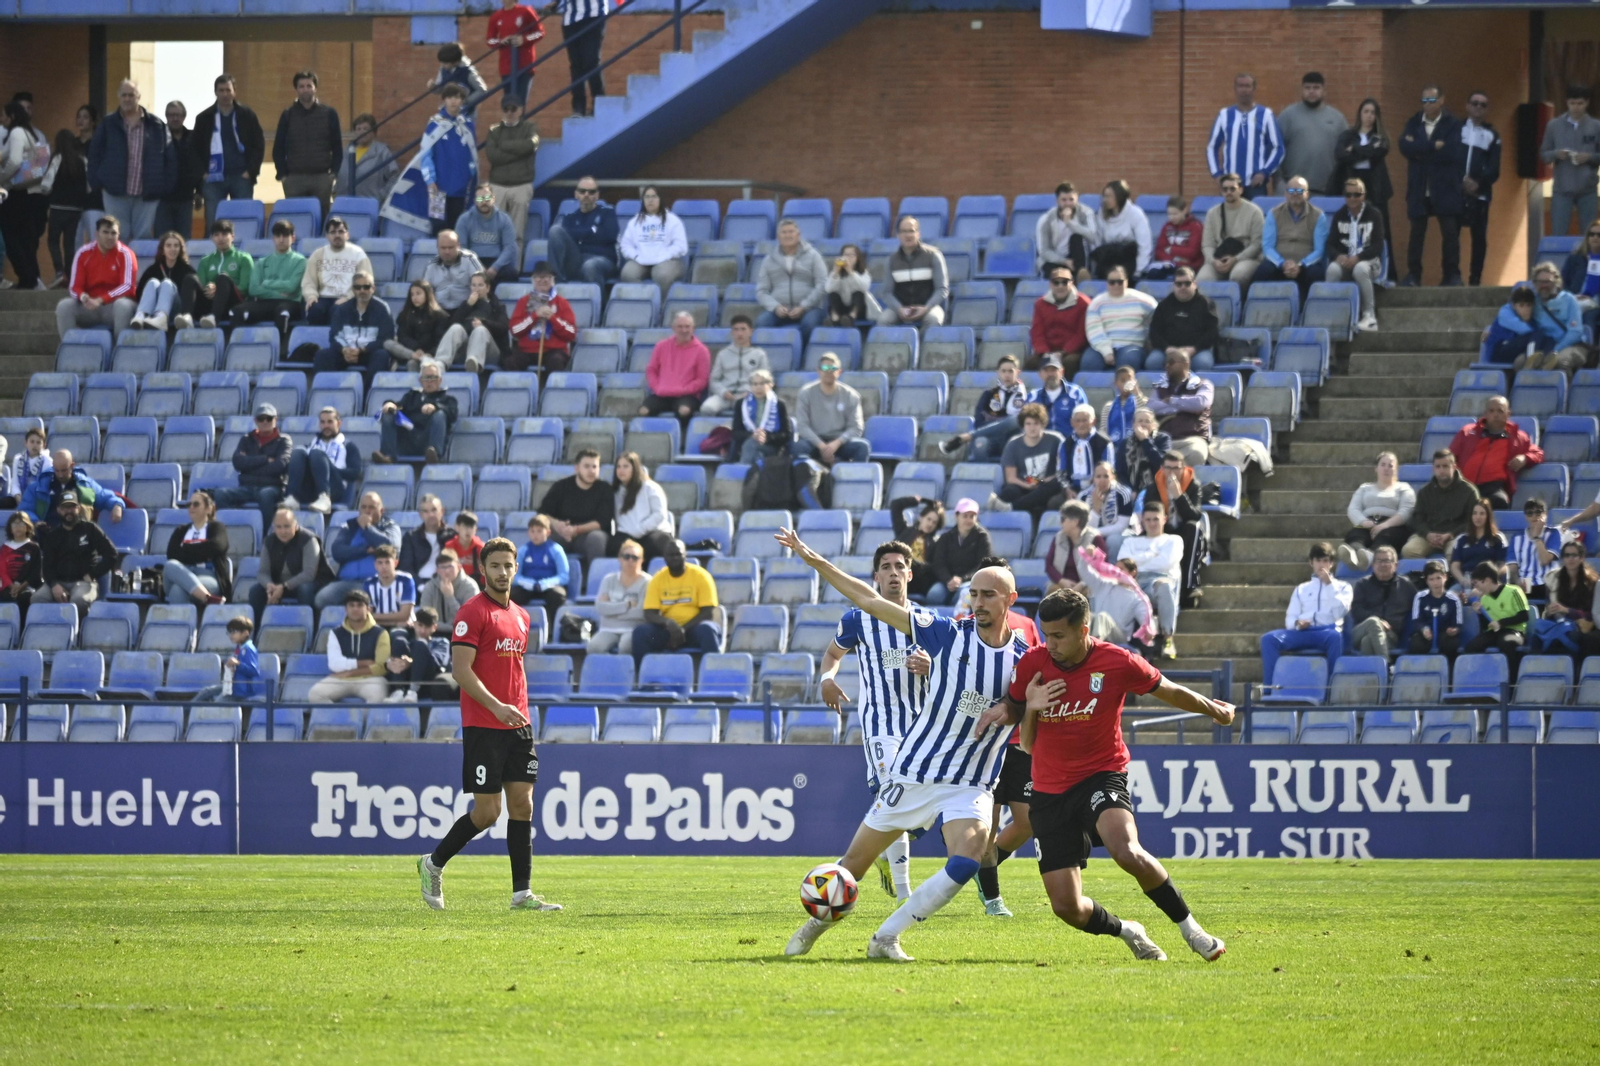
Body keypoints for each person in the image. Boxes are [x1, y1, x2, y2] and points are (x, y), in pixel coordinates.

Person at [778, 529, 1034, 964]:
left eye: (988, 594)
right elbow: (868, 600)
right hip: (914, 771)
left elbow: (1027, 715)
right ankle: (814, 925)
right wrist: (812, 559)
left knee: (967, 860)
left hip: (969, 783)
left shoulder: (1025, 659)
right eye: (972, 594)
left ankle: (887, 936)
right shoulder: (948, 633)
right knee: (851, 867)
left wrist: (1018, 712)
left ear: (1009, 600)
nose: (977, 602)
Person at [979, 588, 1233, 959]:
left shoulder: (1117, 661)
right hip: (1048, 792)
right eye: (1045, 634)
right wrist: (1031, 707)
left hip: (1101, 774)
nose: (1049, 644)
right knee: (1068, 907)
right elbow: (1028, 744)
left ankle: (1192, 930)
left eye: (1059, 636)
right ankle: (1129, 930)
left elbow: (1169, 690)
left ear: (1084, 630)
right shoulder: (1033, 664)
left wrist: (1214, 710)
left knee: (1126, 850)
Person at [418, 536, 561, 912]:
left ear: (516, 568)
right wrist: (497, 707)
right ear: (482, 570)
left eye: (508, 565)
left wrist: (516, 710)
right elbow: (461, 672)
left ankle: (522, 894)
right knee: (487, 813)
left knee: (523, 806)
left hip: (518, 723)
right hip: (485, 724)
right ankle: (432, 864)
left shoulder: (522, 617)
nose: (502, 572)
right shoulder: (471, 613)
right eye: (494, 565)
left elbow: (512, 671)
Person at [817, 540, 933, 904]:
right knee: (893, 794)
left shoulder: (926, 621)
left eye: (900, 566)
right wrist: (826, 679)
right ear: (876, 577)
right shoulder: (858, 619)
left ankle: (882, 850)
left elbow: (951, 670)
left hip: (922, 728)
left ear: (910, 574)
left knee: (921, 811)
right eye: (886, 566)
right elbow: (832, 655)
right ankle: (903, 894)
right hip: (881, 724)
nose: (894, 572)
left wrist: (932, 667)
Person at [1043, 501, 1152, 648]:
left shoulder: (1136, 597)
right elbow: (1050, 565)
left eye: (1064, 519)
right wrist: (1063, 580)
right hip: (1066, 584)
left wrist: (1150, 628)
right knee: (1055, 595)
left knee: (1096, 612)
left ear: (1075, 521)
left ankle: (1090, 650)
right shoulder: (1059, 537)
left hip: (1089, 591)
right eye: (1117, 568)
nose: (1061, 523)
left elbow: (1101, 569)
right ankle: (1058, 637)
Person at [384, 84, 476, 238]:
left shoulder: (467, 125)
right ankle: (437, 261)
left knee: (457, 229)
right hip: (437, 190)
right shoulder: (435, 124)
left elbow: (472, 156)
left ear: (462, 101)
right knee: (438, 229)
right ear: (444, 100)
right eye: (450, 97)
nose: (454, 101)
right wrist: (430, 181)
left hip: (460, 189)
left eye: (458, 97)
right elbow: (426, 155)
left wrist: (469, 178)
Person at [87, 80, 175, 240]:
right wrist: (98, 183)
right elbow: (94, 155)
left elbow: (170, 158)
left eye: (131, 95)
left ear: (139, 97)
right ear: (119, 97)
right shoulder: (107, 124)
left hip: (147, 195)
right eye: (124, 95)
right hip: (114, 193)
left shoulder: (156, 125)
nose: (127, 99)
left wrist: (164, 186)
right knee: (117, 237)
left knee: (143, 238)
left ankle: (139, 267)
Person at [1399, 85, 1465, 287]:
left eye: (1431, 100)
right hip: (1419, 187)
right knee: (1417, 232)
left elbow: (1452, 152)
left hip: (1445, 188)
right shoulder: (1413, 122)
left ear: (1441, 100)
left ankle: (1451, 275)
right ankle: (1413, 275)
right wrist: (1432, 146)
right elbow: (1404, 146)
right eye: (1424, 101)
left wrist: (1420, 151)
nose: (1427, 105)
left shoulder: (1452, 124)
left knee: (1450, 233)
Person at [1259, 543, 1352, 687]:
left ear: (1332, 563)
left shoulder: (1343, 587)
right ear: (1311, 563)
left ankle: (1332, 690)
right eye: (1318, 560)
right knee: (1269, 639)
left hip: (1327, 631)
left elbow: (1340, 612)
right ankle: (1269, 689)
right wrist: (1297, 623)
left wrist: (1329, 585)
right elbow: (1290, 617)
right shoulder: (1301, 589)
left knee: (1336, 638)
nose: (1322, 565)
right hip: (1302, 632)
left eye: (1325, 560)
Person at [1334, 98, 1396, 284]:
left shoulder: (1380, 138)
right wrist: (1361, 150)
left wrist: (1355, 151)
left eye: (1373, 112)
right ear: (1360, 114)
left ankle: (1387, 273)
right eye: (1366, 111)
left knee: (1381, 230)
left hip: (1375, 188)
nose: (1369, 116)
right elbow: (1340, 155)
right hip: (1353, 184)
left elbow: (1377, 152)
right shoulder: (1347, 135)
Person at [630, 537, 720, 663]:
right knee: (640, 633)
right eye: (671, 555)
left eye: (678, 554)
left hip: (694, 629)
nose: (675, 558)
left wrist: (683, 629)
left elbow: (708, 613)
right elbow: (649, 613)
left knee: (708, 630)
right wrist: (668, 624)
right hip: (668, 631)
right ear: (664, 557)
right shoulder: (657, 580)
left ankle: (714, 675)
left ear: (685, 555)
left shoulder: (701, 576)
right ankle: (642, 676)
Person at [193, 74, 265, 230]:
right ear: (215, 92)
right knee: (213, 221)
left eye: (228, 90)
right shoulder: (204, 118)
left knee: (243, 220)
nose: (225, 94)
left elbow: (258, 145)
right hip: (213, 179)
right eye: (221, 90)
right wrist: (202, 173)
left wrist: (251, 171)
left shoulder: (247, 115)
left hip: (241, 177)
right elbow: (194, 150)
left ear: (234, 92)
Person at [1135, 450, 1207, 606]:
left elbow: (1194, 515)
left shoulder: (1194, 485)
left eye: (1176, 468)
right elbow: (1150, 513)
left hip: (1184, 530)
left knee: (1194, 528)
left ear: (1183, 468)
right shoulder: (1154, 486)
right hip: (1164, 528)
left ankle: (1190, 585)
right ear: (1162, 468)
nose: (1172, 472)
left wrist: (1179, 495)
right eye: (1168, 468)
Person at [1450, 395, 1543, 511]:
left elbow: (1538, 453)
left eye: (1500, 411)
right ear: (1485, 413)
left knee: (1500, 502)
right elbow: (1450, 457)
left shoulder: (1518, 437)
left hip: (1492, 488)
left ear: (1508, 414)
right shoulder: (1468, 432)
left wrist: (1524, 458)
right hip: (1465, 485)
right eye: (1491, 411)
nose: (1495, 414)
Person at [1117, 504, 1183, 659]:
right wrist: (1151, 555)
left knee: (1164, 585)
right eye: (1148, 520)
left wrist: (1136, 561)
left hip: (1158, 582)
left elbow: (1165, 563)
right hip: (1134, 582)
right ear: (1142, 521)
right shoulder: (1130, 542)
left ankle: (1168, 639)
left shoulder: (1173, 540)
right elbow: (1122, 564)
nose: (1152, 524)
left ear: (1164, 519)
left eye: (1156, 519)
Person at [31, 495, 116, 615]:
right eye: (64, 508)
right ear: (58, 510)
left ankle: (78, 633)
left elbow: (112, 554)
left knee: (79, 601)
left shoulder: (90, 529)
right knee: (37, 599)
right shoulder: (52, 535)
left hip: (83, 582)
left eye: (72, 507)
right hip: (58, 582)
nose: (68, 511)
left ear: (79, 508)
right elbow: (47, 567)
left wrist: (93, 574)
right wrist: (54, 585)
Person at [272, 71, 341, 218]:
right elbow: (278, 147)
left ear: (315, 88)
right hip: (294, 179)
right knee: (296, 218)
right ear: (296, 90)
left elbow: (337, 146)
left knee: (322, 218)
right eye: (301, 86)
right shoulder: (287, 115)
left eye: (309, 86)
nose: (305, 89)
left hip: (321, 178)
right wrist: (283, 175)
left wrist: (333, 173)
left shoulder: (329, 113)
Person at [318, 490, 403, 609]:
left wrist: (367, 527)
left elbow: (389, 546)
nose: (367, 511)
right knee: (321, 599)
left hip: (376, 583)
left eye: (372, 507)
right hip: (345, 582)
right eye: (364, 507)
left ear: (381, 511)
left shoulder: (390, 526)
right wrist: (364, 550)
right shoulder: (350, 527)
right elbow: (337, 551)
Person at [55, 214, 137, 338]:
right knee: (64, 306)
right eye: (105, 232)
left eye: (113, 233)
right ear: (97, 234)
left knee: (123, 306)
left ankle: (119, 351)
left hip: (114, 306)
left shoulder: (126, 254)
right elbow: (74, 287)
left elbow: (127, 287)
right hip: (89, 306)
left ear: (118, 235)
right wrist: (83, 297)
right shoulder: (83, 253)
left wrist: (101, 299)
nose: (110, 237)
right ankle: (70, 348)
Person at [210, 402, 291, 524]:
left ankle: (265, 534)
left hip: (272, 486)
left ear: (276, 420)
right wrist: (265, 459)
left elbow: (279, 466)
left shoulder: (284, 440)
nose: (265, 422)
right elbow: (237, 462)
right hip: (247, 487)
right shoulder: (246, 439)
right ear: (255, 420)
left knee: (265, 495)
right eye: (261, 419)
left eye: (269, 419)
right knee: (221, 494)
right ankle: (235, 526)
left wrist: (249, 465)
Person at [45, 104, 97, 288]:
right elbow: (89, 184)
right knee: (69, 243)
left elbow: (47, 181)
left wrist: (45, 192)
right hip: (76, 207)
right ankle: (70, 274)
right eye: (79, 117)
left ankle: (60, 271)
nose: (80, 120)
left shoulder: (58, 157)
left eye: (85, 117)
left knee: (53, 240)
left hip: (59, 206)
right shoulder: (82, 159)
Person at [308, 588, 390, 704]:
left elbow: (382, 668)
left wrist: (350, 672)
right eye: (351, 605)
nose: (355, 609)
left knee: (377, 698)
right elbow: (334, 664)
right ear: (346, 609)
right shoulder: (336, 633)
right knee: (315, 694)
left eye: (360, 605)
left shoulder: (380, 633)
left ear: (368, 609)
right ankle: (339, 721)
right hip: (342, 678)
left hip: (371, 679)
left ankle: (363, 722)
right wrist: (363, 663)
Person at [939, 354, 1030, 460]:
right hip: (992, 439)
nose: (1007, 375)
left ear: (1017, 373)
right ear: (998, 373)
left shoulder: (1026, 396)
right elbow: (979, 423)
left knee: (1016, 420)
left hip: (1014, 439)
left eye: (1010, 371)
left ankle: (965, 437)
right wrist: (1002, 424)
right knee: (980, 443)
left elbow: (1022, 424)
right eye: (1003, 371)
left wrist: (998, 422)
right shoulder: (989, 395)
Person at [1207, 73, 1282, 199]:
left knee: (1256, 218)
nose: (1244, 90)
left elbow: (1278, 147)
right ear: (1235, 89)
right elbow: (1211, 147)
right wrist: (1217, 174)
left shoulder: (1266, 114)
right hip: (1231, 185)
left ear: (1254, 89)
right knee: (1232, 218)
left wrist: (1264, 172)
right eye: (1240, 86)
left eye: (1248, 86)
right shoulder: (1224, 115)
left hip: (1256, 185)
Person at [1325, 178, 1385, 334]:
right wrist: (1338, 256)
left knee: (1360, 269)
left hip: (1369, 262)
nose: (1352, 198)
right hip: (1346, 261)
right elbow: (1330, 244)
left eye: (1356, 194)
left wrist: (1358, 257)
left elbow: (1378, 246)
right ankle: (1332, 313)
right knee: (1332, 269)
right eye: (1348, 194)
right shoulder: (1339, 215)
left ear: (1363, 195)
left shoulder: (1374, 214)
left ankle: (1369, 316)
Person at [0, 101, 50, 291]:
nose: (1, 118)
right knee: (24, 239)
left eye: (4, 115)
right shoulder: (26, 132)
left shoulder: (16, 133)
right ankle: (29, 279)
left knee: (12, 238)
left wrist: (3, 181)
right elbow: (5, 154)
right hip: (29, 195)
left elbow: (14, 160)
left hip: (17, 195)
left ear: (12, 116)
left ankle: (27, 278)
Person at [1540, 86, 1600, 238]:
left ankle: (1589, 262)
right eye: (1572, 103)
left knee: (1590, 236)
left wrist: (1590, 157)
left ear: (1586, 103)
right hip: (1562, 189)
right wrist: (1556, 154)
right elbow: (1544, 154)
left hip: (1588, 189)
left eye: (1579, 103)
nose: (1576, 107)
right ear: (1567, 102)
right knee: (1558, 234)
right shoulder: (1554, 125)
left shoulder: (1596, 126)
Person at [1254, 176, 1328, 299]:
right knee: (1263, 271)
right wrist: (1282, 263)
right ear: (1285, 193)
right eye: (1291, 191)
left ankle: (1307, 311)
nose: (1295, 194)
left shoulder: (1318, 216)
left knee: (1315, 274)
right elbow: (1267, 246)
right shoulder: (1274, 213)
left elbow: (1319, 250)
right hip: (1279, 263)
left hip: (1306, 265)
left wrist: (1300, 265)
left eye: (1299, 191)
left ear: (1307, 194)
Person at [313, 271, 394, 381]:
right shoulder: (342, 309)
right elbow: (334, 336)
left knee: (382, 355)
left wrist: (362, 350)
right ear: (353, 289)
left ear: (373, 288)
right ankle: (331, 392)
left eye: (366, 287)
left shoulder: (382, 308)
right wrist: (344, 350)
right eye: (358, 287)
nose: (362, 291)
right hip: (346, 352)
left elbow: (386, 338)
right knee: (322, 355)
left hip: (369, 352)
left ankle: (367, 394)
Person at [1340, 451, 1415, 570]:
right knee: (1355, 534)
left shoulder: (1404, 488)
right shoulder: (1365, 488)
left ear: (1396, 469)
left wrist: (1384, 525)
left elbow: (1406, 511)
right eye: (1383, 464)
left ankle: (1369, 556)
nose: (1386, 468)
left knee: (1386, 536)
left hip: (1394, 525)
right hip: (1367, 522)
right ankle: (1356, 553)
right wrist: (1364, 522)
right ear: (1376, 468)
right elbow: (1353, 509)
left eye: (1390, 466)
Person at [987, 403, 1064, 517]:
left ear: (1042, 424)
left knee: (1056, 483)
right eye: (1028, 424)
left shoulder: (1056, 440)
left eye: (1036, 423)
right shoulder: (1013, 444)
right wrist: (1026, 485)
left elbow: (1062, 471)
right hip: (1023, 484)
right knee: (1009, 491)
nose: (1032, 428)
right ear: (1023, 425)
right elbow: (1011, 478)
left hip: (1046, 484)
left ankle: (1010, 507)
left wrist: (1042, 482)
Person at [1276, 72, 1348, 196]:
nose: (1311, 91)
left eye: (1316, 88)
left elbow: (1346, 153)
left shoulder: (1337, 119)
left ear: (1323, 90)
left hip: (1327, 190)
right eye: (1307, 88)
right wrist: (1279, 182)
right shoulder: (1288, 116)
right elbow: (1275, 150)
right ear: (1302, 90)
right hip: (1294, 190)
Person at [755, 218, 828, 338]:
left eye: (791, 232)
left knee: (809, 325)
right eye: (784, 232)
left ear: (798, 235)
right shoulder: (769, 260)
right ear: (778, 237)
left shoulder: (814, 256)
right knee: (761, 324)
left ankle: (803, 356)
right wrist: (775, 307)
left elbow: (822, 284)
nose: (788, 235)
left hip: (810, 309)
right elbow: (761, 291)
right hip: (779, 310)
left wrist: (804, 306)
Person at [232, 218, 307, 335]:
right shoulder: (262, 262)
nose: (281, 239)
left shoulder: (301, 261)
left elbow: (292, 287)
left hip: (291, 303)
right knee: (236, 311)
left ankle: (281, 351)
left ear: (293, 238)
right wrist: (279, 293)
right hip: (266, 302)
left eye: (285, 235)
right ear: (273, 239)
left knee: (282, 312)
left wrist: (267, 283)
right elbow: (254, 289)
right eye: (278, 236)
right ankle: (240, 348)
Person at [791, 353, 868, 465]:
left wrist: (836, 444)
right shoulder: (806, 393)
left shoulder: (851, 395)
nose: (828, 371)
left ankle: (855, 481)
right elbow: (802, 426)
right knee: (797, 447)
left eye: (833, 368)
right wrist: (822, 446)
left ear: (839, 372)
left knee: (862, 447)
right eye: (825, 368)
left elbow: (857, 427)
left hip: (840, 442)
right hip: (814, 441)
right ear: (818, 371)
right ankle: (806, 481)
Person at [375, 358, 457, 464]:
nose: (429, 381)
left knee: (440, 414)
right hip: (409, 438)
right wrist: (390, 403)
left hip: (428, 440)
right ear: (420, 380)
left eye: (433, 377)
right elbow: (399, 406)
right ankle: (388, 456)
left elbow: (453, 414)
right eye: (426, 378)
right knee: (388, 414)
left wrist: (435, 407)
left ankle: (435, 455)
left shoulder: (448, 400)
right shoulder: (411, 396)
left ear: (440, 380)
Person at [484, 97, 538, 257]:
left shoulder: (529, 127)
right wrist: (519, 152)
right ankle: (495, 269)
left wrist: (504, 146)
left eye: (513, 109)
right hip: (497, 186)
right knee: (495, 232)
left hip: (521, 185)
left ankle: (514, 270)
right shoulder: (494, 130)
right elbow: (493, 157)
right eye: (505, 109)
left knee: (517, 234)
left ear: (520, 110)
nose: (509, 112)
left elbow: (531, 145)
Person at [1402, 449, 1480, 560]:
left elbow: (1473, 521)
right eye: (1438, 467)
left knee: (1456, 554)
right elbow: (1418, 519)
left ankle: (1450, 577)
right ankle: (1426, 577)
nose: (1441, 470)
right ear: (1433, 468)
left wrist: (1450, 534)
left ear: (1454, 467)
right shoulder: (1425, 492)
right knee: (1409, 551)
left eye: (1445, 466)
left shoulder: (1469, 491)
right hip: (1428, 536)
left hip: (1455, 536)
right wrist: (1428, 534)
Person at [1458, 91, 1501, 288]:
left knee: (1479, 238)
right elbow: (1449, 159)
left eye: (1483, 105)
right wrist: (1461, 180)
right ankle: (1452, 275)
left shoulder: (1492, 135)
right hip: (1456, 193)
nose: (1478, 107)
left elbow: (1494, 169)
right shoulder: (1456, 130)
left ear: (1487, 109)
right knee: (1452, 235)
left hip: (1480, 195)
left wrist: (1478, 184)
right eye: (1474, 103)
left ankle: (1475, 278)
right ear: (1467, 106)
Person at [249, 508, 320, 625]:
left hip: (303, 584)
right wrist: (269, 585)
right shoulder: (269, 541)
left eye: (287, 526)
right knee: (255, 591)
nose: (283, 531)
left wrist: (284, 587)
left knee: (305, 590)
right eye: (278, 527)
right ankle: (255, 630)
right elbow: (262, 572)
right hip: (277, 586)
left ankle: (308, 626)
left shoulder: (309, 540)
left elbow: (309, 573)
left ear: (296, 525)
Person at [540, 448, 613, 562]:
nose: (591, 471)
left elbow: (602, 521)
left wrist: (576, 529)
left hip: (588, 535)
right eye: (587, 466)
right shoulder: (561, 486)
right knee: (545, 538)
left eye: (595, 467)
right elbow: (542, 513)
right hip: (562, 534)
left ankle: (595, 577)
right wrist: (556, 524)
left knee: (596, 539)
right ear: (577, 468)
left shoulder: (605, 489)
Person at [286, 406, 362, 517]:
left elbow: (356, 472)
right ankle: (292, 497)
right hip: (310, 489)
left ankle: (324, 497)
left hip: (334, 488)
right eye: (323, 422)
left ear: (339, 423)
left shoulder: (348, 446)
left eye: (330, 422)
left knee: (317, 453)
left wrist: (328, 468)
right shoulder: (312, 444)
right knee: (298, 451)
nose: (326, 426)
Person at [877, 216, 948, 331]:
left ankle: (923, 348)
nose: (908, 235)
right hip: (901, 309)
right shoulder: (891, 260)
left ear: (918, 233)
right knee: (883, 321)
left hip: (928, 307)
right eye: (903, 231)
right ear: (898, 235)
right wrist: (899, 309)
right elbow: (886, 292)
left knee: (934, 319)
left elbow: (942, 289)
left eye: (911, 231)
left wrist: (926, 308)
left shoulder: (934, 255)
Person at [1146, 348, 1213, 469]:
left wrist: (1172, 401)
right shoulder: (1160, 388)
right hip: (1164, 440)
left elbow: (1200, 403)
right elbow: (1151, 407)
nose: (1167, 366)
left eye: (1171, 362)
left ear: (1185, 364)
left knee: (1196, 453)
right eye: (1165, 363)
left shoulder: (1203, 384)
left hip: (1192, 440)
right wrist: (1185, 406)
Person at [300, 215, 372, 327]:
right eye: (333, 232)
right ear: (327, 236)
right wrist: (311, 296)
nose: (337, 235)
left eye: (341, 232)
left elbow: (367, 282)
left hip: (350, 298)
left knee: (338, 311)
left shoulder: (358, 254)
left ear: (347, 235)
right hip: (323, 297)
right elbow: (309, 281)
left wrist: (348, 297)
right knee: (314, 311)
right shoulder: (317, 254)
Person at [20, 449, 122, 527]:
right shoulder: (38, 487)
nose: (60, 475)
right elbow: (24, 510)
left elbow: (105, 497)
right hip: (49, 538)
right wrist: (36, 522)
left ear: (72, 465)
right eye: (57, 470)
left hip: (79, 539)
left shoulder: (85, 484)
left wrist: (116, 505)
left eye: (64, 470)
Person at [1082, 266, 1157, 371]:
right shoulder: (1097, 303)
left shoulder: (1143, 300)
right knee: (1088, 363)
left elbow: (1158, 317)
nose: (1116, 285)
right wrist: (1106, 351)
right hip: (1101, 347)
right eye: (1112, 282)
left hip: (1132, 346)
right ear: (1106, 283)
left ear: (1126, 281)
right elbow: (1094, 331)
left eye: (1120, 282)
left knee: (1127, 362)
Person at [162, 490, 230, 607]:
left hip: (208, 576)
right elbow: (172, 554)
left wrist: (186, 548)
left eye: (196, 504)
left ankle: (180, 625)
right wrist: (203, 552)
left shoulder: (217, 527)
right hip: (181, 573)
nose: (191, 507)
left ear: (209, 509)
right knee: (170, 564)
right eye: (189, 504)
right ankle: (207, 598)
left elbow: (217, 547)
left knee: (177, 590)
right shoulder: (180, 531)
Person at [506, 260, 577, 372]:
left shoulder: (561, 302)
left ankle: (553, 389)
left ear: (552, 280)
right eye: (538, 277)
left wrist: (552, 318)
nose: (542, 280)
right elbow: (515, 330)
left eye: (546, 277)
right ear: (533, 280)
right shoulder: (524, 301)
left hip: (554, 350)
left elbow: (572, 333)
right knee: (511, 362)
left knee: (556, 361)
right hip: (527, 350)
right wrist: (534, 316)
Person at [545, 175, 617, 285]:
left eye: (591, 192)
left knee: (590, 266)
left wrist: (579, 235)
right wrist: (592, 230)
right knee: (555, 230)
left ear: (597, 195)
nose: (586, 195)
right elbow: (568, 239)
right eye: (582, 191)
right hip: (577, 260)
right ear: (576, 194)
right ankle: (556, 284)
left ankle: (599, 302)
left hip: (603, 259)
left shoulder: (608, 213)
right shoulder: (569, 218)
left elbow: (610, 235)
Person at [618, 185, 688, 296]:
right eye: (647, 197)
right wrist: (636, 256)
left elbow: (681, 246)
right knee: (628, 273)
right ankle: (643, 303)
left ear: (661, 199)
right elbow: (625, 245)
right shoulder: (634, 221)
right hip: (641, 260)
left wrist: (664, 256)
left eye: (654, 196)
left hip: (668, 261)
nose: (650, 200)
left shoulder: (673, 220)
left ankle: (661, 308)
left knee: (662, 274)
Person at [641, 311, 710, 422]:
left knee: (684, 411)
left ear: (693, 328)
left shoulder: (702, 350)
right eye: (680, 327)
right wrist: (657, 388)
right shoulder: (661, 346)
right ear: (673, 328)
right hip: (662, 394)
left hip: (687, 396)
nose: (684, 330)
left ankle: (681, 438)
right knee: (643, 411)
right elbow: (651, 370)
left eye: (687, 326)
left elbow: (702, 380)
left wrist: (682, 390)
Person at [1146, 267, 1219, 371]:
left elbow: (1213, 332)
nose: (1183, 287)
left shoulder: (1206, 304)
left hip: (1198, 351)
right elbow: (1154, 332)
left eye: (1187, 283)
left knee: (1203, 364)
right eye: (1179, 284)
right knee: (1152, 363)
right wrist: (1166, 348)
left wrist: (1194, 349)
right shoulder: (1164, 305)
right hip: (1168, 350)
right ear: (1174, 285)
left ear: (1195, 284)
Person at [1196, 174, 1263, 285]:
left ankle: (1240, 302)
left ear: (1241, 190)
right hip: (1219, 258)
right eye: (1225, 189)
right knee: (1202, 280)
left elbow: (1256, 245)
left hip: (1246, 258)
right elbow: (1207, 245)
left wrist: (1235, 259)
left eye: (1233, 189)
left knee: (1238, 275)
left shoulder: (1254, 212)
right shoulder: (1213, 213)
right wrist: (1213, 261)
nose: (1228, 192)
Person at [436, 270, 509, 372]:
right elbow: (452, 325)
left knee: (480, 330)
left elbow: (503, 328)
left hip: (490, 350)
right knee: (456, 328)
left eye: (480, 285)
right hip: (465, 349)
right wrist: (467, 306)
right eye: (473, 285)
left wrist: (484, 323)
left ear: (488, 288)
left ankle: (474, 363)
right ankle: (440, 363)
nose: (476, 289)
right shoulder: (466, 305)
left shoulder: (498, 306)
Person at [1349, 546, 1414, 658]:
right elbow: (1356, 610)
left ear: (1396, 565)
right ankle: (1386, 665)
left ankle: (1374, 673)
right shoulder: (1362, 584)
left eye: (1387, 561)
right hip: (1361, 630)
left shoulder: (1406, 585)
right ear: (1373, 565)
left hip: (1390, 635)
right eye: (1379, 561)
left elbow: (1419, 604)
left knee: (1367, 642)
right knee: (1374, 622)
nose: (1383, 565)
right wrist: (1379, 621)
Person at [548, 0, 610, 116]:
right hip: (570, 19)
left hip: (594, 14)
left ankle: (599, 103)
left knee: (591, 62)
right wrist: (556, 3)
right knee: (576, 65)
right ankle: (578, 107)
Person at [1525, 261, 1588, 373]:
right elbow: (1510, 312)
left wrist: (1555, 350)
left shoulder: (1569, 300)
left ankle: (1565, 390)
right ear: (1534, 283)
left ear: (1556, 282)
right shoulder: (1533, 301)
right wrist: (1492, 328)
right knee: (1521, 362)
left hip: (1572, 346)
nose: (1544, 286)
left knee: (1561, 361)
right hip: (1544, 346)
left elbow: (1576, 332)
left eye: (1548, 282)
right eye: (1540, 282)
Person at [1538, 544, 1600, 658]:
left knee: (1572, 636)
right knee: (1537, 637)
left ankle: (1572, 672)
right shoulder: (1554, 579)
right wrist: (1551, 611)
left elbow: (1592, 615)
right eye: (1566, 555)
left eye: (1574, 555)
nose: (1570, 559)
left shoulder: (1592, 582)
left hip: (1583, 625)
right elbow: (1547, 607)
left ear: (1582, 558)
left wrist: (1567, 610)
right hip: (1559, 623)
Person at [926, 498, 991, 607]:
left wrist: (962, 579)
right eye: (965, 516)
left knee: (962, 595)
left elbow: (982, 564)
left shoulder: (982, 537)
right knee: (934, 595)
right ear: (957, 516)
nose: (968, 520)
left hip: (971, 581)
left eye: (972, 516)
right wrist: (948, 579)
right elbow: (938, 563)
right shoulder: (946, 537)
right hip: (947, 581)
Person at [384, 605, 455, 704]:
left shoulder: (441, 642)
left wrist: (411, 663)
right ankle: (398, 691)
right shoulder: (408, 641)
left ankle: (413, 691)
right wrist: (389, 664)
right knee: (399, 641)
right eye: (420, 625)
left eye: (427, 627)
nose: (422, 630)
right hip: (406, 680)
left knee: (420, 644)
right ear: (414, 624)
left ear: (434, 627)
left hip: (427, 683)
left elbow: (437, 663)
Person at [589, 538, 649, 654]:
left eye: (635, 557)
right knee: (594, 647)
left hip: (633, 629)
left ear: (642, 560)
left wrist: (611, 610)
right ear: (619, 559)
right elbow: (600, 608)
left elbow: (641, 613)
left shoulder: (648, 582)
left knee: (626, 647)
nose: (630, 560)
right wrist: (627, 605)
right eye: (626, 557)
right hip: (608, 629)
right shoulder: (608, 580)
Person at [1026, 267, 1091, 374]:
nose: (1060, 286)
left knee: (1070, 362)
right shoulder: (1040, 304)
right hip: (1047, 350)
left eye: (1065, 282)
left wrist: (1064, 352)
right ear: (1050, 284)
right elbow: (1037, 332)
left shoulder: (1083, 303)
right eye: (1056, 282)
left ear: (1072, 283)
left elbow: (1081, 334)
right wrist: (1044, 352)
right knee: (1031, 363)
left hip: (1072, 352)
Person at [610, 452, 674, 560]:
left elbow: (659, 514)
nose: (621, 470)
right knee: (613, 547)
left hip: (653, 532)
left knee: (653, 545)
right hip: (626, 534)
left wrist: (640, 530)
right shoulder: (615, 492)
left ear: (635, 468)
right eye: (619, 467)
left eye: (626, 466)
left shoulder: (651, 487)